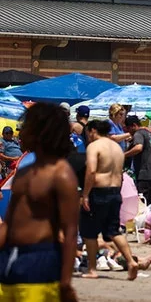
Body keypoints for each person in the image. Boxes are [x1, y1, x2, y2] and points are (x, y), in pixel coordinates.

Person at [0, 102, 79, 302]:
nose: (21, 131)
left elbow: (70, 232)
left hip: (39, 260)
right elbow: (8, 223)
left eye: (26, 127)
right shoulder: (24, 172)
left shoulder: (61, 174)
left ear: (42, 132)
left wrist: (65, 282)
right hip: (8, 258)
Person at [80, 119, 139, 280]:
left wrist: (85, 194)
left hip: (98, 192)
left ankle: (92, 269)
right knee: (113, 230)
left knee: (89, 232)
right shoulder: (117, 148)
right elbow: (120, 174)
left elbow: (91, 171)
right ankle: (131, 261)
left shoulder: (94, 146)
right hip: (115, 192)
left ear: (92, 131)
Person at [124, 115, 151, 205]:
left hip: (144, 174)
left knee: (143, 201)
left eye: (128, 128)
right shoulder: (150, 134)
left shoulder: (138, 133)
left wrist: (124, 155)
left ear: (134, 125)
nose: (128, 131)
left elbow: (138, 148)